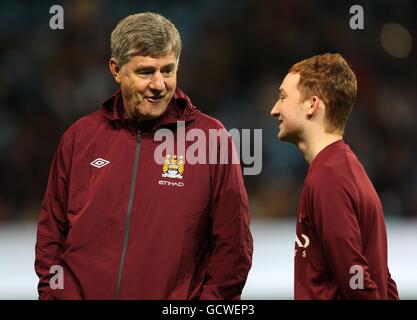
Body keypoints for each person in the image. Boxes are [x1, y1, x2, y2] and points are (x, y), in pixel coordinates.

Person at [35, 12, 253, 300]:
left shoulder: (211, 139)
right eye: (146, 72)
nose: (159, 84)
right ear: (116, 69)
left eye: (168, 70)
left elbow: (232, 247)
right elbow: (52, 234)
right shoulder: (79, 137)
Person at [270, 53, 399, 299]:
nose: (274, 110)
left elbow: (356, 280)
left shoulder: (328, 177)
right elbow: (382, 279)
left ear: (312, 104)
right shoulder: (347, 169)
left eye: (283, 97)